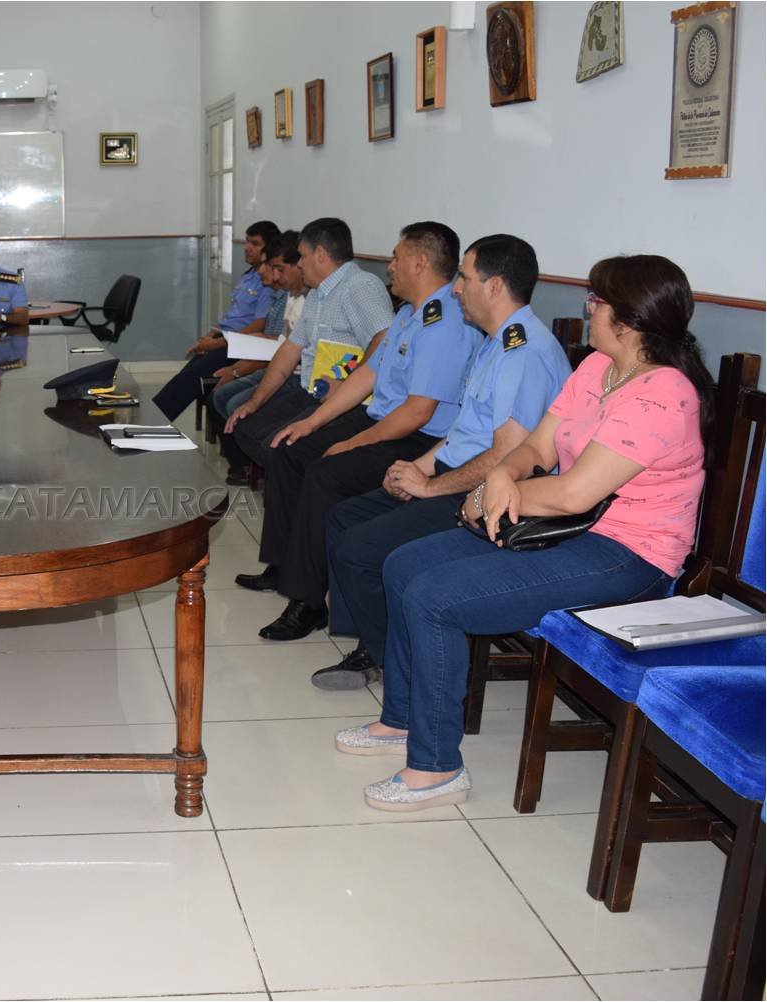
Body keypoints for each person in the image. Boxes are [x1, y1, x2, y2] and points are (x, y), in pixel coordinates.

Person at [340, 254, 712, 811]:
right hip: (566, 529)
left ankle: (437, 766)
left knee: (434, 597)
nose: (589, 309)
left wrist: (487, 495)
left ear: (629, 319)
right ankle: (400, 719)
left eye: (598, 301)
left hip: (628, 554)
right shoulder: (597, 368)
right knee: (403, 563)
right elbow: (537, 448)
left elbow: (574, 492)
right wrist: (500, 474)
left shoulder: (663, 394)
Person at [314, 234, 570, 690]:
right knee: (343, 517)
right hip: (460, 473)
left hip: (494, 497)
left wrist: (431, 488)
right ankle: (374, 645)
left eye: (465, 279)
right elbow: (463, 432)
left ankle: (398, 667)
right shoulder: (494, 341)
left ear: (493, 287)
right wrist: (422, 468)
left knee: (361, 548)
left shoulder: (522, 353)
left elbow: (507, 457)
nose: (455, 289)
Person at [246, 222, 481, 643]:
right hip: (382, 420)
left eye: (396, 257)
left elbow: (417, 412)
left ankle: (308, 602)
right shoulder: (410, 312)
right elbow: (368, 373)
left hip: (421, 440)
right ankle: (285, 567)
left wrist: (351, 443)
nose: (389, 266)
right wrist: (312, 421)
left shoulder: (445, 321)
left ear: (419, 262)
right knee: (289, 446)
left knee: (324, 471)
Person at [222, 217, 394, 480]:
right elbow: (290, 349)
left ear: (321, 254)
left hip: (345, 400)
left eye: (302, 256)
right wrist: (255, 401)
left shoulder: (360, 286)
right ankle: (292, 482)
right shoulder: (316, 294)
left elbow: (385, 341)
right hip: (310, 389)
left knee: (280, 446)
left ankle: (296, 489)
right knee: (245, 425)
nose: (299, 263)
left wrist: (346, 385)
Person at [151, 220, 281, 421]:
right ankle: (154, 418)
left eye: (255, 244)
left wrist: (217, 343)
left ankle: (154, 421)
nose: (247, 248)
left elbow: (260, 324)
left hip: (240, 345)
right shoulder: (248, 277)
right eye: (246, 242)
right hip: (225, 339)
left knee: (190, 380)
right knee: (186, 376)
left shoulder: (267, 283)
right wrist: (210, 336)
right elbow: (233, 316)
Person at [211, 230, 305, 483]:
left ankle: (255, 467)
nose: (273, 276)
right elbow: (278, 343)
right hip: (276, 366)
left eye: (278, 269)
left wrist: (238, 370)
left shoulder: (309, 298)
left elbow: (281, 347)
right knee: (219, 393)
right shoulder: (289, 296)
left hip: (296, 376)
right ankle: (247, 466)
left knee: (234, 403)